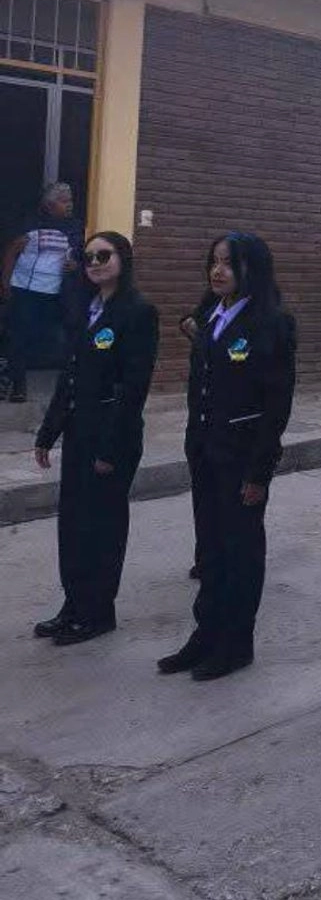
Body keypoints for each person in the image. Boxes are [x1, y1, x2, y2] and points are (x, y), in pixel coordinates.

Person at [159, 234, 296, 681]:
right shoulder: (209, 316)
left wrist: (260, 469)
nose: (218, 272)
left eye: (229, 265)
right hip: (205, 449)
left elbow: (276, 405)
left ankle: (235, 643)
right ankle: (206, 634)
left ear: (251, 270)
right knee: (211, 549)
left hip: (243, 457)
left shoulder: (272, 323)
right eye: (214, 263)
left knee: (239, 550)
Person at [31, 233, 159, 646]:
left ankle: (97, 611)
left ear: (123, 259)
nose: (95, 263)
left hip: (111, 437)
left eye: (104, 255)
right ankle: (73, 605)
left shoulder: (137, 312)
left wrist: (110, 448)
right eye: (88, 257)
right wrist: (49, 431)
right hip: (78, 431)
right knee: (72, 524)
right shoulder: (86, 309)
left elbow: (132, 388)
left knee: (101, 527)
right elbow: (70, 377)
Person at [1, 182, 85, 403]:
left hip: (58, 292)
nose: (69, 205)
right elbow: (11, 251)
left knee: (63, 334)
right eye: (63, 201)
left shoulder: (75, 227)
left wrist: (75, 266)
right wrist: (5, 282)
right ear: (49, 205)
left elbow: (80, 256)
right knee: (20, 335)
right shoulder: (30, 224)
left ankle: (69, 382)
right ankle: (18, 384)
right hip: (26, 289)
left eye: (70, 201)